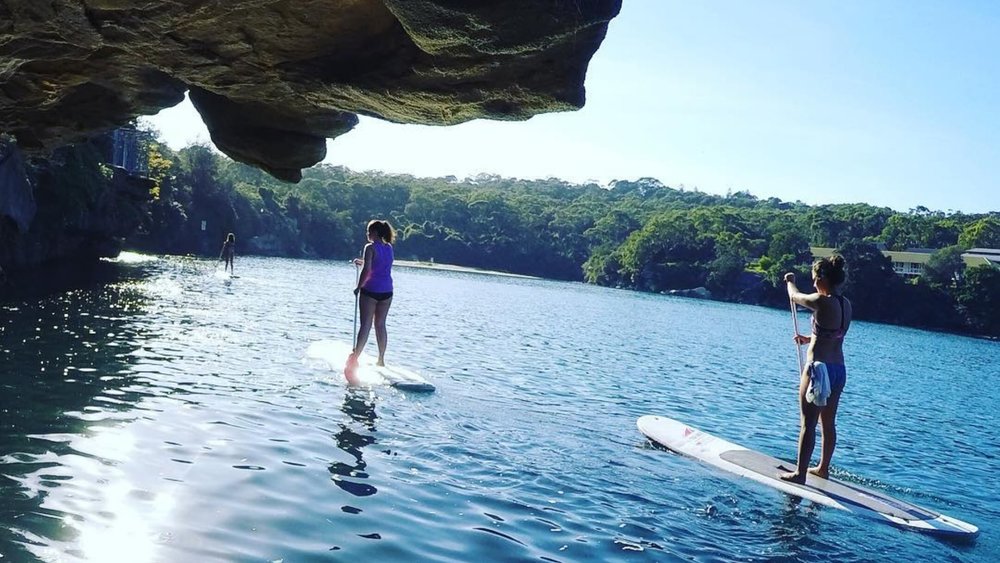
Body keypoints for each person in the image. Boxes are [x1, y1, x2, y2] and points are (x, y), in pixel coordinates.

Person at [780, 255, 852, 484]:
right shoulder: (845, 304)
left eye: (814, 279)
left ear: (822, 279)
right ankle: (823, 468)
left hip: (818, 370)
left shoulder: (822, 301)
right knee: (828, 422)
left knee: (808, 423)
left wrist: (789, 281)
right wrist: (808, 338)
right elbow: (834, 333)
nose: (813, 284)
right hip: (838, 370)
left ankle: (800, 474)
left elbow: (794, 297)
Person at [348, 220, 395, 370]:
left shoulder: (369, 247)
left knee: (366, 325)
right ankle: (381, 359)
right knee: (380, 324)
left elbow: (368, 270)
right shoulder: (389, 248)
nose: (367, 234)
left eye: (369, 231)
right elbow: (378, 265)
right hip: (387, 291)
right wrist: (360, 262)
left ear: (374, 233)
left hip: (371, 291)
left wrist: (358, 287)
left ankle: (355, 358)